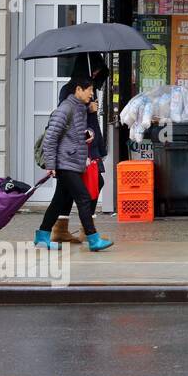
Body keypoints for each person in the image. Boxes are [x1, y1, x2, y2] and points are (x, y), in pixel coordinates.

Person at [37, 74, 113, 251]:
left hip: (74, 162)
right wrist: (50, 165)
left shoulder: (80, 108)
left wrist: (88, 134)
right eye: (89, 90)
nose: (91, 94)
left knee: (58, 202)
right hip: (65, 163)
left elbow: (75, 132)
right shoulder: (65, 109)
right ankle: (93, 238)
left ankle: (42, 236)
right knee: (84, 198)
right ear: (78, 89)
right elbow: (50, 139)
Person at [49, 56, 109, 243]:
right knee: (92, 184)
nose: (96, 75)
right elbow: (64, 115)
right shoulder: (69, 89)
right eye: (94, 71)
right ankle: (86, 230)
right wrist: (87, 107)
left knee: (70, 190)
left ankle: (59, 229)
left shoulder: (92, 89)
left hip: (89, 144)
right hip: (76, 147)